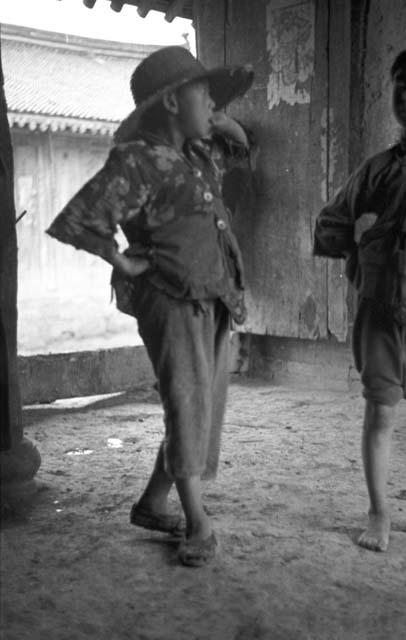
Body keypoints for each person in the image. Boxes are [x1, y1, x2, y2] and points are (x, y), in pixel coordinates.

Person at [46, 46, 254, 567]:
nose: (211, 102)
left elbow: (239, 141)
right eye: (200, 91)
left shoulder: (197, 155)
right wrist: (120, 259)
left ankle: (151, 502)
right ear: (168, 103)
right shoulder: (138, 160)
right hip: (172, 301)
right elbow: (82, 217)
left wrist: (212, 111)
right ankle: (198, 522)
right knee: (187, 406)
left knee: (200, 407)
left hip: (212, 296)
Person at [313, 46, 406, 552]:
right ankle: (379, 512)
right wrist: (359, 260)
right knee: (381, 413)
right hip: (381, 314)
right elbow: (332, 219)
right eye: (401, 82)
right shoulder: (379, 168)